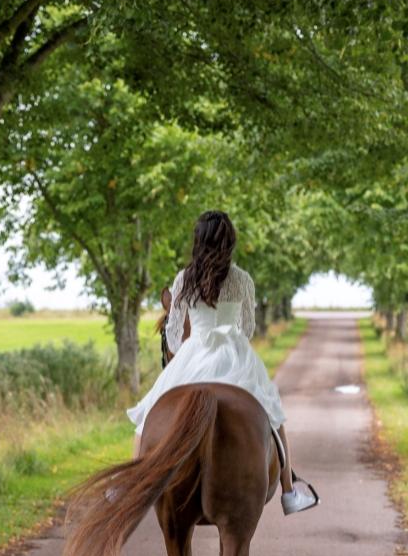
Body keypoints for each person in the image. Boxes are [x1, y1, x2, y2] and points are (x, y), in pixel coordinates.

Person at [126, 210, 319, 516]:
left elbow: (173, 334)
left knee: (148, 416)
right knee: (273, 413)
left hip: (194, 352)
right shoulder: (242, 279)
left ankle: (132, 487)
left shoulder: (183, 279)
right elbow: (248, 328)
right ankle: (289, 492)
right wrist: (232, 342)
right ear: (230, 241)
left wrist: (189, 350)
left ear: (197, 240)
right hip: (234, 353)